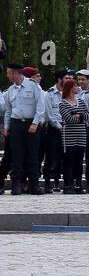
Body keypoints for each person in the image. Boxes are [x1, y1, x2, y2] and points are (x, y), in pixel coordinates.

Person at [3, 63, 47, 194]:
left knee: (33, 154)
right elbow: (8, 111)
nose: (8, 75)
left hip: (31, 123)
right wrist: (6, 126)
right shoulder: (10, 91)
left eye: (9, 72)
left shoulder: (33, 86)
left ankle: (34, 184)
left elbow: (40, 105)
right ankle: (16, 184)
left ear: (16, 73)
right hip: (16, 123)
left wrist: (35, 122)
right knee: (16, 154)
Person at [58, 78, 89, 194]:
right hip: (68, 137)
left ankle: (78, 184)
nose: (78, 88)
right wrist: (79, 117)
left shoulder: (81, 101)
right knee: (68, 161)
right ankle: (67, 184)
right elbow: (68, 118)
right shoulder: (62, 103)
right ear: (70, 88)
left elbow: (88, 114)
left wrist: (78, 116)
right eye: (75, 86)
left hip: (81, 135)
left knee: (79, 161)